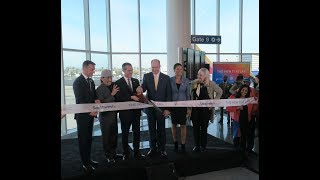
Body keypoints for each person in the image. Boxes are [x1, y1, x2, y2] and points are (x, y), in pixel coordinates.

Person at [138, 59, 172, 159]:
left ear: (159, 66)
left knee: (161, 129)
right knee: (151, 129)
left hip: (161, 109)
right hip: (150, 109)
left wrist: (167, 109)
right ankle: (152, 149)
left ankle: (162, 149)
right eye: (152, 67)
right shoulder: (146, 76)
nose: (154, 69)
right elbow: (143, 88)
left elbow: (169, 95)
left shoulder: (166, 78)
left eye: (156, 67)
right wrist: (140, 89)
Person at [73, 60, 100, 173]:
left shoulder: (91, 81)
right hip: (83, 116)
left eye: (94, 69)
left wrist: (96, 99)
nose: (93, 71)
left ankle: (88, 160)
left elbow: (92, 96)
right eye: (92, 69)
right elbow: (80, 100)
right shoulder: (78, 82)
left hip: (90, 114)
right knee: (83, 140)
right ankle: (85, 164)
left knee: (89, 139)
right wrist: (89, 112)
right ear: (84, 68)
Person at [114, 63, 145, 160]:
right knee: (125, 133)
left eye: (131, 70)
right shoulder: (118, 82)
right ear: (123, 71)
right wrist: (130, 97)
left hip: (136, 112)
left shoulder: (136, 81)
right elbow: (117, 97)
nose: (131, 72)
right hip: (125, 113)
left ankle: (137, 152)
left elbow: (140, 95)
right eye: (129, 70)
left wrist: (140, 92)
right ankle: (125, 153)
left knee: (137, 132)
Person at [189, 68, 222, 152]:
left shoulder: (211, 84)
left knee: (204, 129)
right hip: (195, 110)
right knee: (195, 129)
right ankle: (197, 145)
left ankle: (203, 146)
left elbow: (220, 92)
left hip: (205, 111)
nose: (198, 76)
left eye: (200, 75)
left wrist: (213, 102)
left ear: (206, 76)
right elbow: (189, 93)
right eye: (198, 74)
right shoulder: (194, 83)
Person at [96, 69, 119, 163]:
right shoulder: (99, 89)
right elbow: (101, 103)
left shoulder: (112, 86)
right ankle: (108, 156)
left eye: (111, 77)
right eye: (108, 78)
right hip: (105, 117)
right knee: (106, 137)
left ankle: (113, 153)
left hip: (113, 116)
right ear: (102, 78)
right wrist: (112, 94)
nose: (110, 79)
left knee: (114, 136)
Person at [226, 84, 254, 156]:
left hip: (246, 121)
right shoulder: (234, 97)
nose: (244, 92)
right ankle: (236, 153)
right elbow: (228, 108)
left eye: (246, 91)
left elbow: (252, 109)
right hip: (236, 121)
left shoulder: (249, 99)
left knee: (244, 137)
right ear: (240, 89)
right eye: (243, 90)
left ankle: (243, 153)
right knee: (236, 136)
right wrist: (237, 108)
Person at [169, 63, 190, 153]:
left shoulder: (186, 80)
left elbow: (188, 95)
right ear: (174, 70)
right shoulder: (170, 80)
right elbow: (168, 94)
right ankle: (175, 143)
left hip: (183, 107)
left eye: (181, 69)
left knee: (183, 125)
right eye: (177, 69)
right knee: (173, 125)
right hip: (173, 107)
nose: (179, 71)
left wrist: (189, 108)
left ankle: (183, 145)